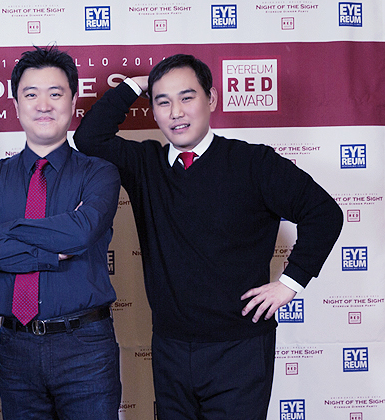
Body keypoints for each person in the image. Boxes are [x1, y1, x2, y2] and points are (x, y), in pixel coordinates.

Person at [73, 54, 343, 420]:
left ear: (211, 99)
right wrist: (139, 83)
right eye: (163, 101)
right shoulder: (144, 165)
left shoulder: (253, 163)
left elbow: (324, 213)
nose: (176, 112)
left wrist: (290, 282)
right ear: (153, 111)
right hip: (169, 348)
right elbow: (89, 137)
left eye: (187, 97)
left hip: (240, 349)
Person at [0, 46, 122, 420]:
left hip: (86, 348)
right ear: (16, 105)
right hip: (15, 348)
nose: (44, 105)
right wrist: (49, 251)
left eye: (55, 93)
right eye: (31, 94)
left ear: (73, 101)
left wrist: (6, 229)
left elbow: (81, 233)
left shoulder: (99, 173)